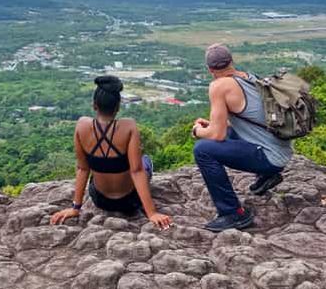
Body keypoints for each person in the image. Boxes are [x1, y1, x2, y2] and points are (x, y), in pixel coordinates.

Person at [191, 43, 292, 232]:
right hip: (281, 149)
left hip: (270, 156)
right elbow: (237, 124)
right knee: (227, 133)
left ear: (210, 69)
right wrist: (212, 126)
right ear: (231, 61)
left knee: (202, 150)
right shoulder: (248, 77)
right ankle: (265, 176)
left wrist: (198, 131)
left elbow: (217, 135)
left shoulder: (219, 86)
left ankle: (233, 213)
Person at [50, 76, 173, 230]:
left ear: (94, 106)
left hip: (100, 200)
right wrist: (152, 213)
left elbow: (83, 169)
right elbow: (136, 171)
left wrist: (75, 208)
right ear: (118, 107)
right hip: (130, 201)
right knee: (145, 160)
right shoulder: (129, 126)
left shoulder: (81, 126)